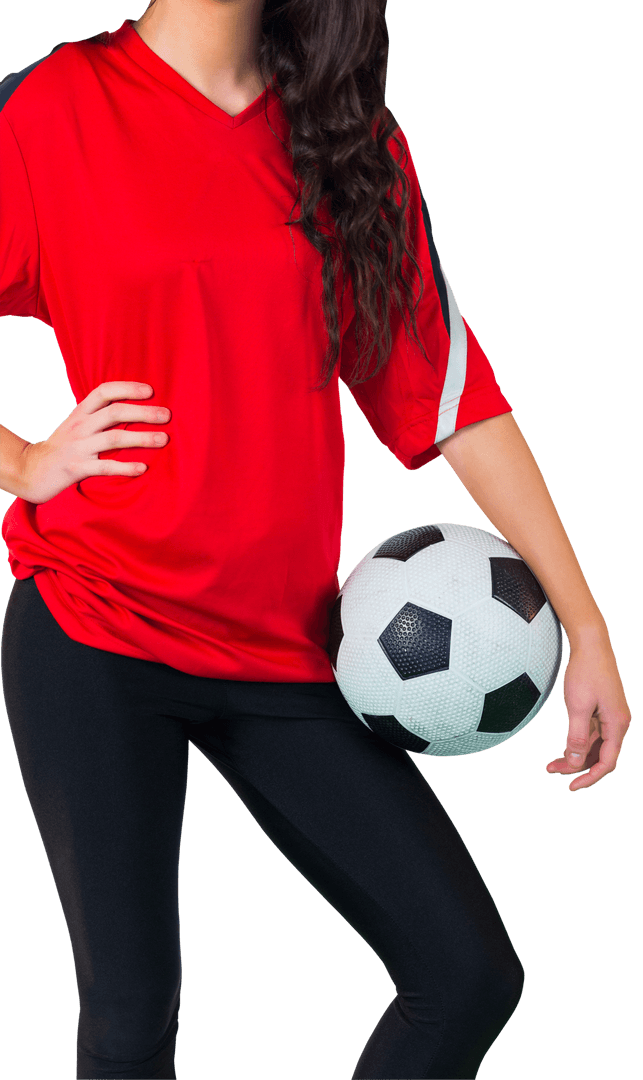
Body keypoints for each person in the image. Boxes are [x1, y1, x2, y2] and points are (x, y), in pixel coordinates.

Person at [0, 1, 631, 1078]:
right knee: (128, 1017)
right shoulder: (61, 104)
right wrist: (23, 462)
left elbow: (454, 403)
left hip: (286, 648)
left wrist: (587, 627)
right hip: (97, 618)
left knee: (468, 973)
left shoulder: (349, 137)